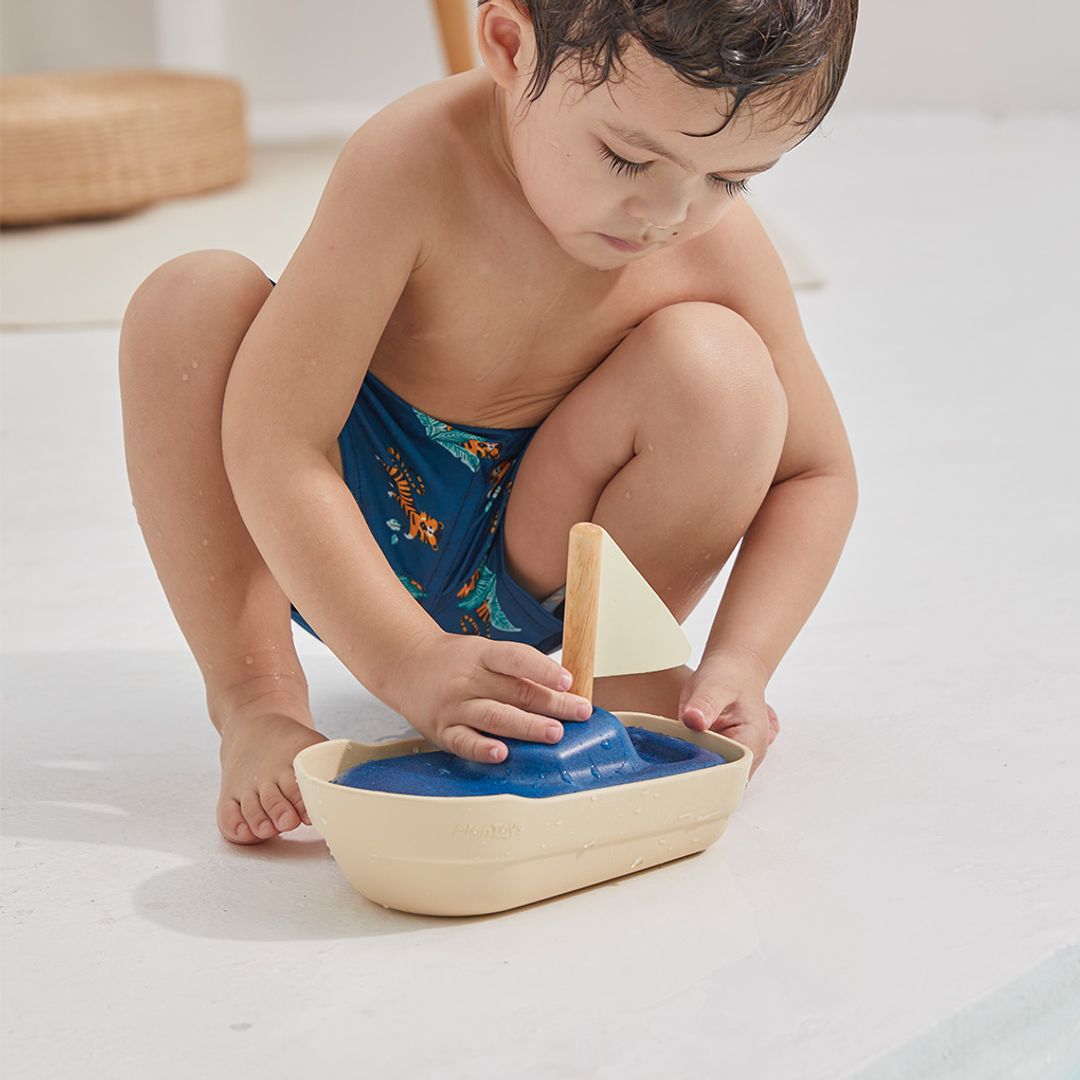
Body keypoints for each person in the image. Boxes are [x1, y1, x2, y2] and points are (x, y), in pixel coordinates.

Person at [119, 0, 859, 845]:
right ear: (510, 44)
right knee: (189, 303)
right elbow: (277, 438)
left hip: (540, 562)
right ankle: (257, 702)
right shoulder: (415, 163)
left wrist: (742, 661)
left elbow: (815, 473)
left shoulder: (713, 246)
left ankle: (624, 680)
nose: (668, 213)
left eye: (731, 179)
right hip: (337, 529)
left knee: (722, 369)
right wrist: (403, 661)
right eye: (625, 157)